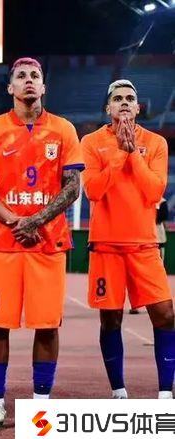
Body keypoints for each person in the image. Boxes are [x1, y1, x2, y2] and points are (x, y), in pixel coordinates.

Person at [0, 57, 84, 430]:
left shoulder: (63, 129)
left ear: (43, 86)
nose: (29, 80)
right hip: (5, 244)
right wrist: (17, 221)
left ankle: (41, 408)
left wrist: (37, 220)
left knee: (47, 325)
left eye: (35, 75)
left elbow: (73, 187)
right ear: (10, 88)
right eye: (21, 76)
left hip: (48, 244)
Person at [81, 79, 174, 400]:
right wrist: (121, 154)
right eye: (117, 98)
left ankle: (165, 394)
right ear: (108, 107)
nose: (124, 102)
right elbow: (93, 190)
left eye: (129, 98)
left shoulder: (156, 143)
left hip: (144, 245)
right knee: (111, 319)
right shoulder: (91, 142)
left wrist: (132, 154)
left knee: (165, 315)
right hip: (106, 246)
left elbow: (154, 191)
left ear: (137, 107)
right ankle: (119, 391)